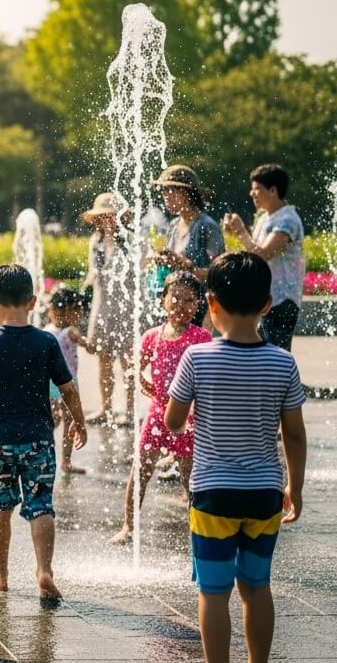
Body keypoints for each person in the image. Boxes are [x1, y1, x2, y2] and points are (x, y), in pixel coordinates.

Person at [163, 251, 306, 663]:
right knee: (256, 586)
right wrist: (294, 488)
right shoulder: (283, 363)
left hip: (213, 494)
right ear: (267, 304)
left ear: (211, 304)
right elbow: (294, 435)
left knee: (214, 590)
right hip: (264, 493)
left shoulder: (198, 357)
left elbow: (173, 422)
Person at [0, 264, 87, 600]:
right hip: (39, 439)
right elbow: (68, 389)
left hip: (0, 441)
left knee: (0, 506)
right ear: (32, 302)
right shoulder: (45, 341)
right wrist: (79, 423)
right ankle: (44, 572)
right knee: (41, 505)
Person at [111, 272, 211, 545]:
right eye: (175, 298)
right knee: (141, 469)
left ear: (198, 303)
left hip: (189, 416)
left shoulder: (200, 337)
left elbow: (208, 374)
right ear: (163, 300)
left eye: (189, 300)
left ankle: (201, 528)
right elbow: (134, 364)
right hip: (158, 412)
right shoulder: (152, 336)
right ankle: (128, 526)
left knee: (190, 477)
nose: (181, 305)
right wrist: (141, 377)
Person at [223, 164, 305, 351]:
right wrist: (233, 233)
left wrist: (242, 231)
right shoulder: (264, 218)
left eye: (256, 189)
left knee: (277, 356)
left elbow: (263, 255)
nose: (252, 194)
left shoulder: (287, 220)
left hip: (282, 300)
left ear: (273, 190)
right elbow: (253, 252)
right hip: (265, 297)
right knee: (262, 354)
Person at [81, 193, 138, 426]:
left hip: (125, 308)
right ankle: (106, 408)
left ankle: (130, 411)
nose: (106, 220)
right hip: (102, 307)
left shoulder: (132, 239)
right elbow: (92, 273)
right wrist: (82, 290)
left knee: (127, 361)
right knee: (104, 360)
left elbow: (138, 272)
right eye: (102, 216)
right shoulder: (96, 241)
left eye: (110, 215)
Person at [151, 165, 224, 325]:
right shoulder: (174, 224)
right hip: (175, 308)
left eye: (170, 191)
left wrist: (188, 267)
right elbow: (175, 263)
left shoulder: (206, 226)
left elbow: (219, 273)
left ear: (188, 194)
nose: (165, 196)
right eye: (163, 191)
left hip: (197, 308)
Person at [43, 288, 90, 475]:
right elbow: (88, 345)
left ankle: (62, 461)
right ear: (50, 311)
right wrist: (95, 346)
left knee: (58, 421)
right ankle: (63, 461)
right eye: (59, 312)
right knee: (62, 421)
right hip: (64, 383)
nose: (61, 316)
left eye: (66, 312)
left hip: (58, 382)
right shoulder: (70, 331)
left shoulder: (45, 332)